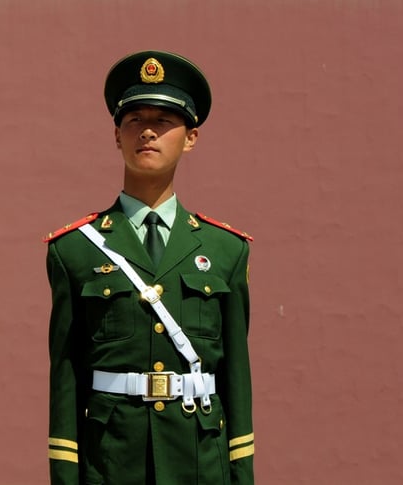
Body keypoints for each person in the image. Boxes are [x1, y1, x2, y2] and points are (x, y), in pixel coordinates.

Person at [43, 51, 254, 484]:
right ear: (116, 135)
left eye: (164, 120)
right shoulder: (75, 250)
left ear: (191, 138)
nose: (148, 131)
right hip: (111, 464)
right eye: (135, 119)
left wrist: (241, 474)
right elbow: (65, 381)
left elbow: (236, 379)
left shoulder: (226, 251)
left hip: (199, 463)